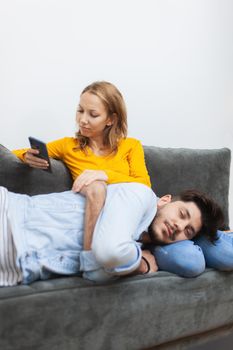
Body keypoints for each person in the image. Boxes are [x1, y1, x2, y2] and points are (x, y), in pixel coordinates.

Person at [12, 81, 151, 252]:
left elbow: (144, 185)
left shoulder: (131, 146)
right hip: (87, 220)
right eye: (80, 111)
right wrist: (27, 156)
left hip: (124, 221)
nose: (83, 120)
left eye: (93, 114)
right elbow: (13, 153)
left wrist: (104, 174)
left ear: (111, 119)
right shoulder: (69, 146)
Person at [0, 183, 224, 286]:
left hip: (14, 270)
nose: (178, 226)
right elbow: (107, 252)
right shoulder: (141, 196)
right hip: (9, 219)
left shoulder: (137, 244)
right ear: (165, 200)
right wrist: (140, 266)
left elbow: (97, 274)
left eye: (188, 231)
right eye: (182, 214)